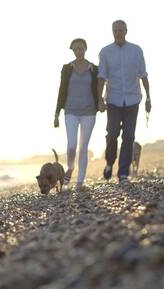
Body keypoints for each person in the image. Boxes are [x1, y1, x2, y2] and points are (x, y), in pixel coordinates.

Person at [97, 20, 152, 184]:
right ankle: (109, 162)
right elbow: (101, 77)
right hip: (113, 101)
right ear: (112, 32)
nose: (117, 33)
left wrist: (148, 98)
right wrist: (99, 99)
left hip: (132, 99)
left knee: (128, 137)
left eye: (120, 30)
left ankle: (123, 174)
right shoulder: (105, 52)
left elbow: (144, 75)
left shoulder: (136, 50)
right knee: (112, 134)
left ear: (126, 31)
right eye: (115, 30)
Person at [54, 38, 99, 188]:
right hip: (70, 111)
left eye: (81, 48)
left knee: (83, 146)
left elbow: (100, 87)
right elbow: (61, 90)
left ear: (85, 49)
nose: (78, 51)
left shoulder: (94, 69)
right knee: (72, 145)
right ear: (73, 51)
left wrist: (101, 102)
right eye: (75, 49)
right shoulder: (67, 68)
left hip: (89, 112)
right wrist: (56, 113)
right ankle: (71, 167)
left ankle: (80, 180)